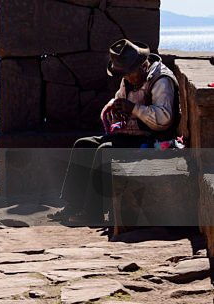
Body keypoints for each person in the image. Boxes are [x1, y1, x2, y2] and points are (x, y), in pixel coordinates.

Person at [57, 38, 180, 226]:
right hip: (131, 135)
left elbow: (164, 119)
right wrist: (113, 108)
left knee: (105, 151)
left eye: (129, 74)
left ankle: (92, 213)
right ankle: (73, 205)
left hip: (154, 141)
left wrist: (134, 109)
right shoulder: (129, 80)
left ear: (142, 65)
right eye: (124, 74)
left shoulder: (161, 81)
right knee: (83, 144)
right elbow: (119, 99)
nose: (127, 78)